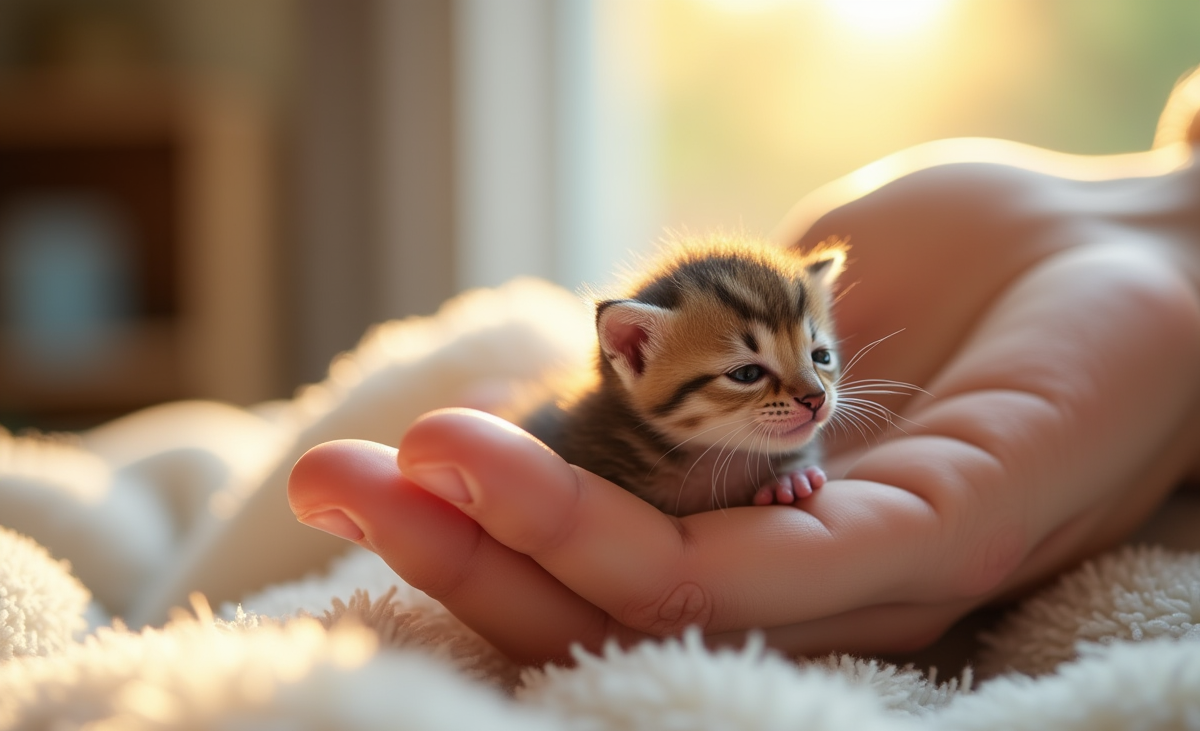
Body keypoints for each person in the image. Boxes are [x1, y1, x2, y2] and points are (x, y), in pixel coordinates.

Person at [287, 71, 1200, 666]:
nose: (812, 392)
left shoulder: (987, 177)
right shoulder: (1145, 299)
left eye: (820, 364)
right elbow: (946, 514)